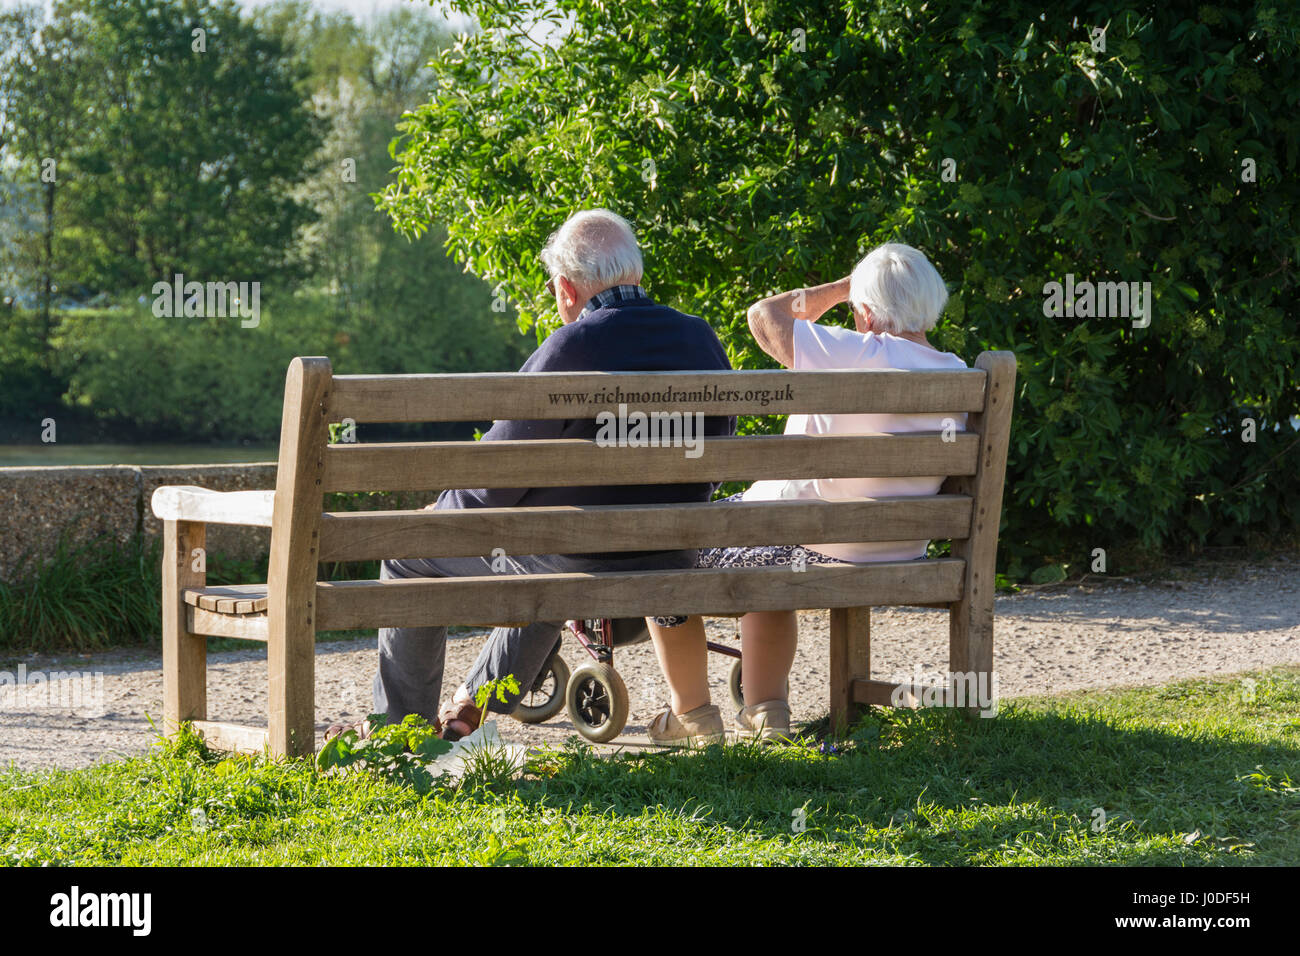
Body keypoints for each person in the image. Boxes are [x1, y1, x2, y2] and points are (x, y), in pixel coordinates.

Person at [326, 209, 734, 742]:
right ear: (633, 270)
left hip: (575, 556)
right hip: (672, 548)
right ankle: (472, 704)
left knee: (408, 556)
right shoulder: (700, 339)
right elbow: (719, 451)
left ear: (566, 287)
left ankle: (399, 730)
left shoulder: (569, 350)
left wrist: (439, 516)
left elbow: (495, 478)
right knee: (546, 558)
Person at [643, 242, 969, 746]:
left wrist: (842, 287)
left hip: (817, 543)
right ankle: (765, 713)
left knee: (659, 550)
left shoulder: (857, 353)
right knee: (767, 542)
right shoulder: (960, 373)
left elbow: (764, 315)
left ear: (863, 311)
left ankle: (693, 716)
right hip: (901, 549)